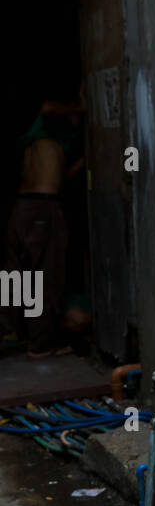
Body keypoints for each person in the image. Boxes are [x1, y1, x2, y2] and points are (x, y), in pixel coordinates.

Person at [4, 93, 86, 358]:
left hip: (21, 207)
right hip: (42, 207)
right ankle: (41, 344)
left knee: (19, 275)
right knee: (45, 276)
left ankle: (13, 334)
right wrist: (79, 108)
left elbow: (60, 178)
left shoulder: (38, 140)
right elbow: (48, 106)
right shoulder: (46, 125)